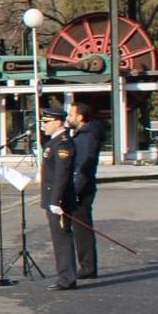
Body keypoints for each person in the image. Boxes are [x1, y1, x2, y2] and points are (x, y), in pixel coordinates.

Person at [38, 107, 79, 291]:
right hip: (52, 197)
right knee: (57, 238)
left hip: (59, 201)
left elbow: (62, 175)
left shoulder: (63, 144)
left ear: (57, 122)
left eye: (46, 122)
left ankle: (67, 278)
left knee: (62, 239)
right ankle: (64, 275)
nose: (43, 126)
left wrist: (56, 201)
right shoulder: (52, 142)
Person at [65, 101, 104, 280]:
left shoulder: (87, 137)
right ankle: (86, 265)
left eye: (71, 115)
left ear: (80, 117)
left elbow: (83, 166)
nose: (69, 118)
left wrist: (75, 191)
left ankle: (87, 267)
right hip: (80, 186)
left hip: (82, 189)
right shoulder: (82, 135)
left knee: (82, 229)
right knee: (80, 228)